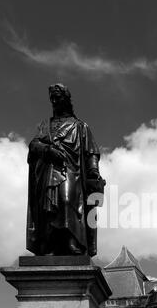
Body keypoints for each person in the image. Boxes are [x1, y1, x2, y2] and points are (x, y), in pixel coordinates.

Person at [26, 83, 105, 257]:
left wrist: (93, 171)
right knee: (47, 208)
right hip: (48, 170)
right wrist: (47, 150)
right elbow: (34, 144)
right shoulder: (44, 125)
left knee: (67, 200)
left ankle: (73, 240)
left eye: (58, 97)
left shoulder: (80, 126)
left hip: (71, 171)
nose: (54, 101)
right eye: (52, 98)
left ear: (66, 100)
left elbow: (91, 151)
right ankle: (51, 245)